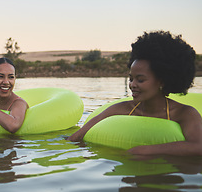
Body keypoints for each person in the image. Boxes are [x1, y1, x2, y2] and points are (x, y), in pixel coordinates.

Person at [68, 31, 202, 156]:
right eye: (131, 78)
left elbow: (198, 146)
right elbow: (78, 135)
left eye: (140, 79)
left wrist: (148, 150)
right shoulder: (122, 108)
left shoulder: (184, 113)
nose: (132, 85)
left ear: (162, 81)